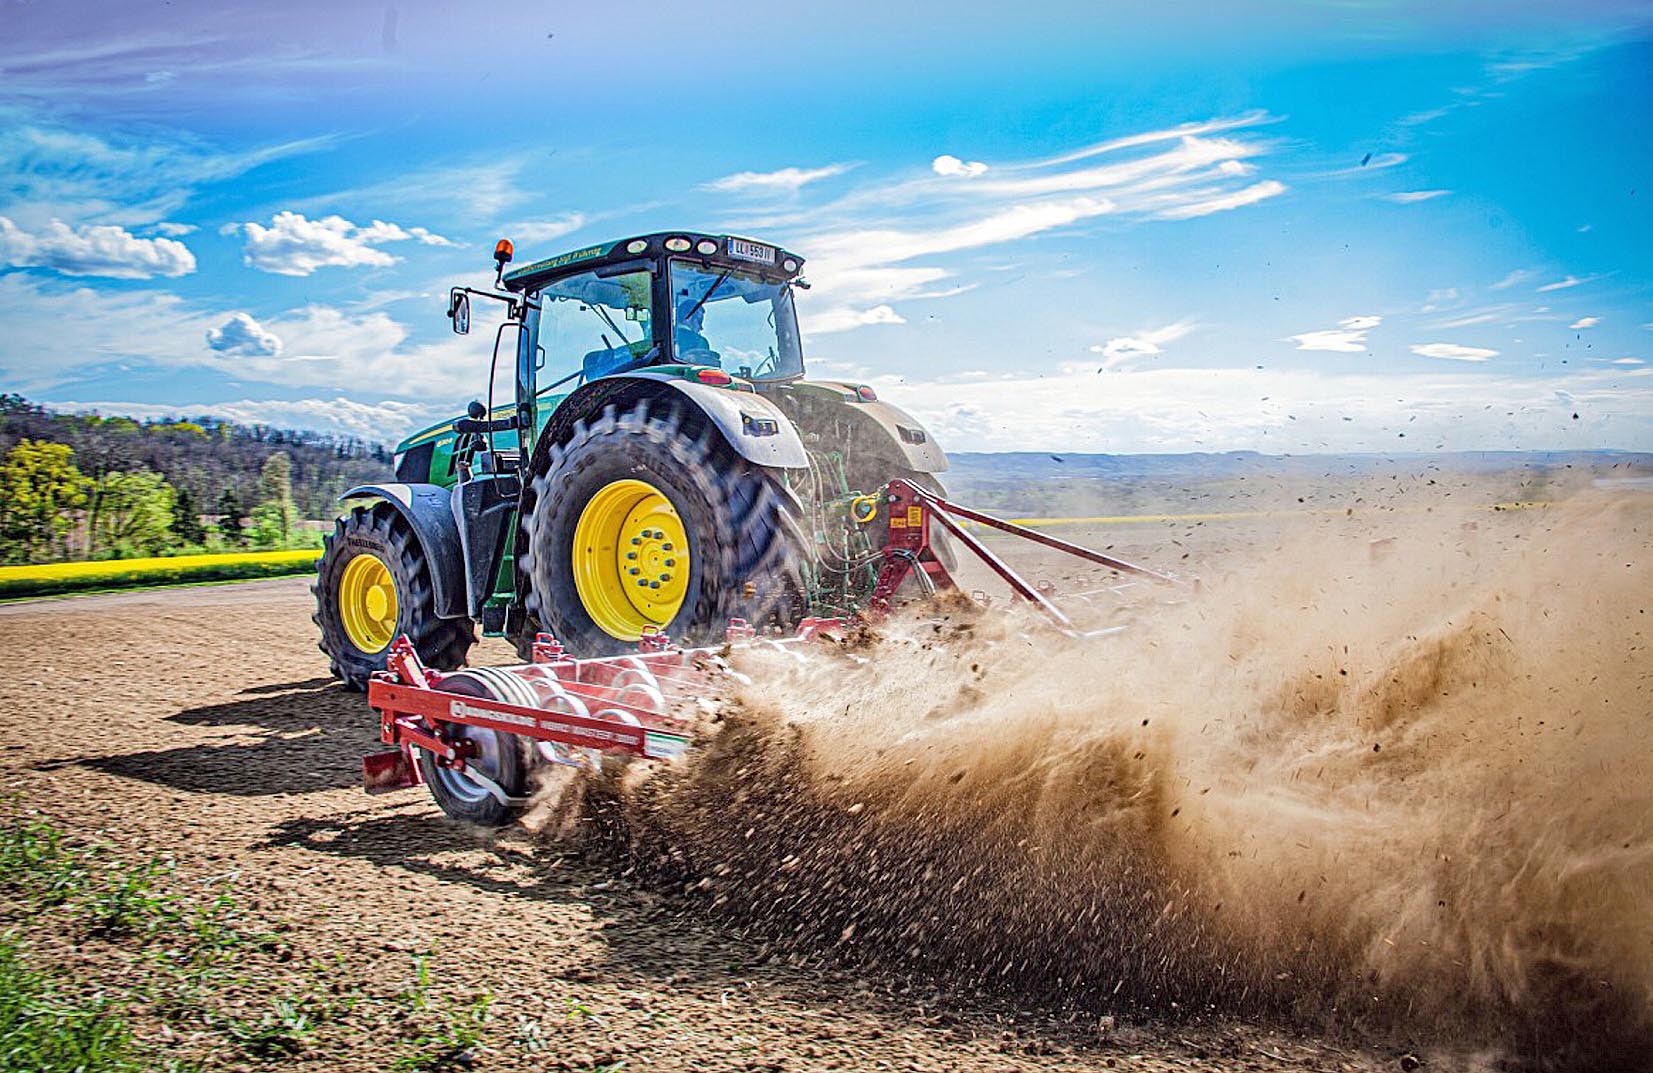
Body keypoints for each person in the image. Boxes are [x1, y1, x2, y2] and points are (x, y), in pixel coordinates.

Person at [674, 297, 719, 365]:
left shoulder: (667, 337)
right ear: (688, 318)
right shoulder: (699, 341)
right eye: (699, 321)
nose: (700, 328)